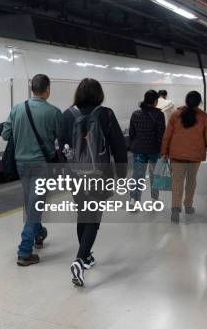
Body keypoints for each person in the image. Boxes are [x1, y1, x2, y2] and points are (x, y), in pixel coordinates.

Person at [60, 78, 127, 287]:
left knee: (83, 214)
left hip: (74, 175)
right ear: (99, 95)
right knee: (93, 217)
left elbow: (59, 149)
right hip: (100, 174)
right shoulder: (106, 114)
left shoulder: (67, 115)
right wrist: (121, 174)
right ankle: (79, 260)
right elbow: (118, 145)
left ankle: (86, 256)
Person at [1, 74, 62, 267]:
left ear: (31, 89)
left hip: (21, 164)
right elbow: (62, 138)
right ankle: (24, 252)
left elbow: (5, 135)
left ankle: (39, 234)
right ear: (48, 89)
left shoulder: (18, 109)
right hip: (41, 164)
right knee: (35, 207)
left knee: (31, 204)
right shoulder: (54, 112)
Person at [161, 91, 207, 223]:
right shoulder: (204, 117)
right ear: (199, 102)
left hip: (176, 155)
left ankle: (175, 210)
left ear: (186, 101)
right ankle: (188, 205)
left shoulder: (176, 115)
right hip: (195, 156)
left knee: (177, 182)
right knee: (191, 181)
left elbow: (167, 136)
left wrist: (164, 152)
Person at [128, 90, 166, 205]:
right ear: (155, 101)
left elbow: (131, 132)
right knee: (155, 174)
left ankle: (133, 200)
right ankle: (155, 198)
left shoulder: (136, 114)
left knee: (137, 174)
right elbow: (161, 135)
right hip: (154, 150)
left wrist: (134, 145)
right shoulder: (159, 115)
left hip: (139, 149)